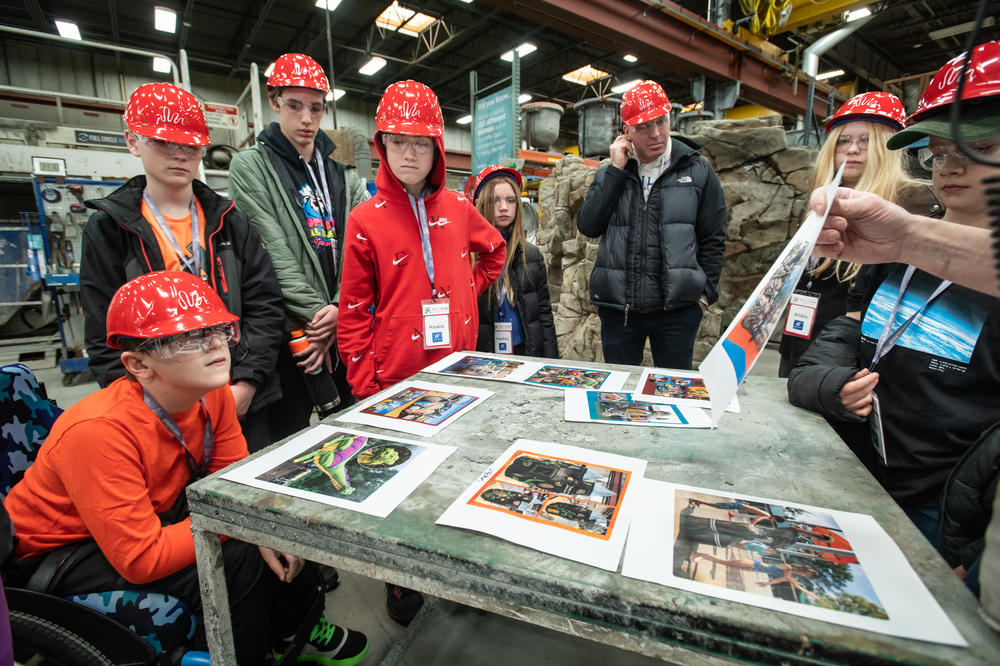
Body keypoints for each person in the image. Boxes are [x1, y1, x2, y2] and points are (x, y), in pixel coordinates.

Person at [3, 271, 368, 666]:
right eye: (187, 338)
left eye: (217, 329)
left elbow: (233, 484)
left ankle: (294, 627)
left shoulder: (214, 396)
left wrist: (261, 521)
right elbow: (142, 559)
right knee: (238, 556)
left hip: (150, 512)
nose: (215, 345)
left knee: (280, 513)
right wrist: (244, 525)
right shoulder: (98, 432)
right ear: (138, 364)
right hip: (62, 551)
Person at [788, 41, 1000, 551]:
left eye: (979, 147)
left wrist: (968, 544)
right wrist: (822, 381)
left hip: (946, 510)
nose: (949, 167)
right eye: (939, 152)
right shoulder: (904, 243)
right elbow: (857, 329)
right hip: (865, 471)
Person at [80, 82, 284, 453]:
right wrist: (148, 407)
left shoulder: (230, 220)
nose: (178, 154)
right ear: (132, 142)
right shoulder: (111, 228)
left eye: (189, 145)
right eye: (162, 142)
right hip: (159, 409)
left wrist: (247, 384)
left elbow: (265, 305)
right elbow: (103, 335)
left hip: (239, 397)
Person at [229, 53, 368, 442]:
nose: (306, 119)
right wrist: (316, 315)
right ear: (275, 102)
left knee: (351, 436)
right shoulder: (251, 167)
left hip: (341, 331)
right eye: (295, 106)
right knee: (289, 442)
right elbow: (271, 249)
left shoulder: (342, 176)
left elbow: (361, 249)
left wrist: (341, 309)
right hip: (290, 335)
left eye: (316, 108)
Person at [337, 80, 505, 398]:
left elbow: (495, 250)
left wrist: (466, 291)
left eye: (421, 144)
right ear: (383, 143)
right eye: (399, 141)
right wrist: (365, 387)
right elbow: (353, 311)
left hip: (459, 366)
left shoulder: (459, 207)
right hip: (392, 377)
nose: (410, 154)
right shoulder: (364, 219)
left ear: (437, 146)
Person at [777, 92, 941, 377]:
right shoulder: (822, 201)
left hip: (856, 356)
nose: (853, 149)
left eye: (866, 141)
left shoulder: (917, 203)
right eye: (844, 140)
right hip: (802, 336)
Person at [577, 80, 726, 370]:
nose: (656, 133)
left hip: (678, 311)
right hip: (620, 310)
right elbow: (589, 225)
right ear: (626, 131)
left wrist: (704, 297)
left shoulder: (697, 169)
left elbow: (713, 237)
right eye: (644, 126)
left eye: (661, 121)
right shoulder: (612, 172)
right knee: (619, 395)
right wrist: (616, 172)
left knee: (674, 394)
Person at [471, 165, 558, 358]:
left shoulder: (531, 255)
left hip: (525, 352)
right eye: (495, 200)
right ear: (482, 202)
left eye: (511, 200)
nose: (504, 207)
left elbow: (544, 313)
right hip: (484, 356)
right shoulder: (468, 257)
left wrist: (552, 363)